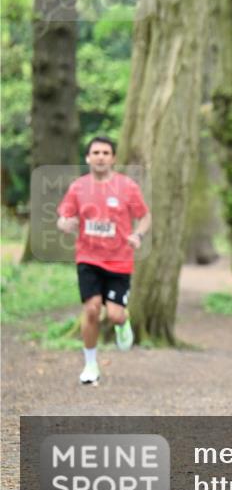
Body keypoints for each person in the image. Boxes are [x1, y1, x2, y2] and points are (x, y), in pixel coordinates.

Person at [57, 136, 151, 385]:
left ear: (113, 159)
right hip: (88, 258)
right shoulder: (78, 187)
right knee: (91, 309)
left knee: (115, 315)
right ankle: (90, 365)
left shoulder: (127, 187)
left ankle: (123, 321)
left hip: (120, 260)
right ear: (88, 158)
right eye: (96, 152)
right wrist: (65, 223)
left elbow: (144, 216)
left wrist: (138, 234)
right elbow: (63, 217)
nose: (100, 156)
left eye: (106, 152)